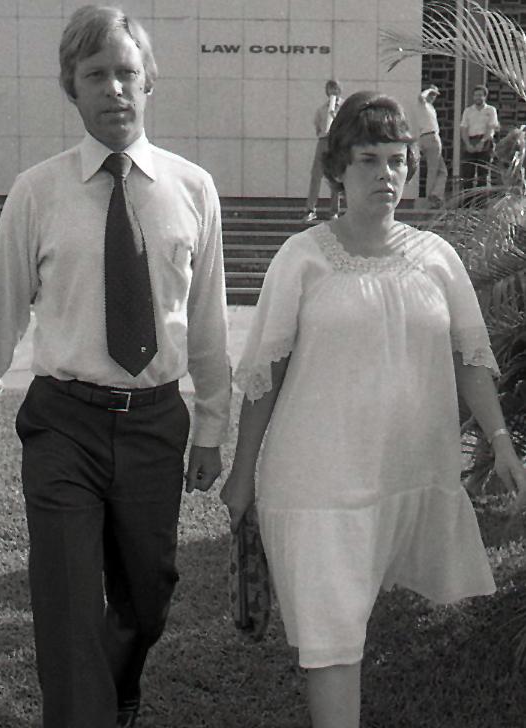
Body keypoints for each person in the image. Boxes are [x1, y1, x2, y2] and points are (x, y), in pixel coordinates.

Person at [221, 90, 526, 728]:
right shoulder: (302, 259)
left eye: (396, 159)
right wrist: (241, 474)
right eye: (368, 159)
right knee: (334, 642)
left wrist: (498, 439)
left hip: (404, 478)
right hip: (316, 487)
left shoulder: (437, 259)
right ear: (338, 168)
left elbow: (471, 357)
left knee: (350, 630)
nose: (385, 174)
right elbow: (263, 377)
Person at [0, 6, 230, 728]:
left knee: (147, 599)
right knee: (64, 605)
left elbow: (207, 320)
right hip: (64, 424)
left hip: (155, 425)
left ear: (150, 81)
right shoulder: (38, 192)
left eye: (126, 72)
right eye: (96, 75)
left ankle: (117, 692)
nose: (114, 88)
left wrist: (212, 423)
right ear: (72, 88)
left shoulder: (193, 190)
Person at [303, 79, 344, 223]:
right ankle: (310, 209)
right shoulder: (321, 109)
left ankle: (334, 211)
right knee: (316, 175)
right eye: (330, 89)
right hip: (323, 141)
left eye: (335, 89)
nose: (332, 91)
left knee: (335, 176)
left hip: (337, 142)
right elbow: (317, 128)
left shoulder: (345, 108)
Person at [460, 84, 500, 194]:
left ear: (485, 97)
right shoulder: (468, 111)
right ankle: (466, 204)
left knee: (483, 174)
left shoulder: (491, 110)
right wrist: (467, 144)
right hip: (470, 141)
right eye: (476, 95)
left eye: (480, 95)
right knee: (468, 173)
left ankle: (481, 205)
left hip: (485, 141)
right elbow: (463, 128)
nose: (478, 97)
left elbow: (491, 127)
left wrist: (482, 142)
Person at [417, 85, 447, 208]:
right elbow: (421, 97)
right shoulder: (423, 105)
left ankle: (435, 194)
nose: (433, 97)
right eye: (432, 95)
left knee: (442, 171)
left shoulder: (430, 108)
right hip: (430, 137)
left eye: (435, 95)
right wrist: (429, 90)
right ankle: (431, 198)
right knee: (433, 170)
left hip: (426, 137)